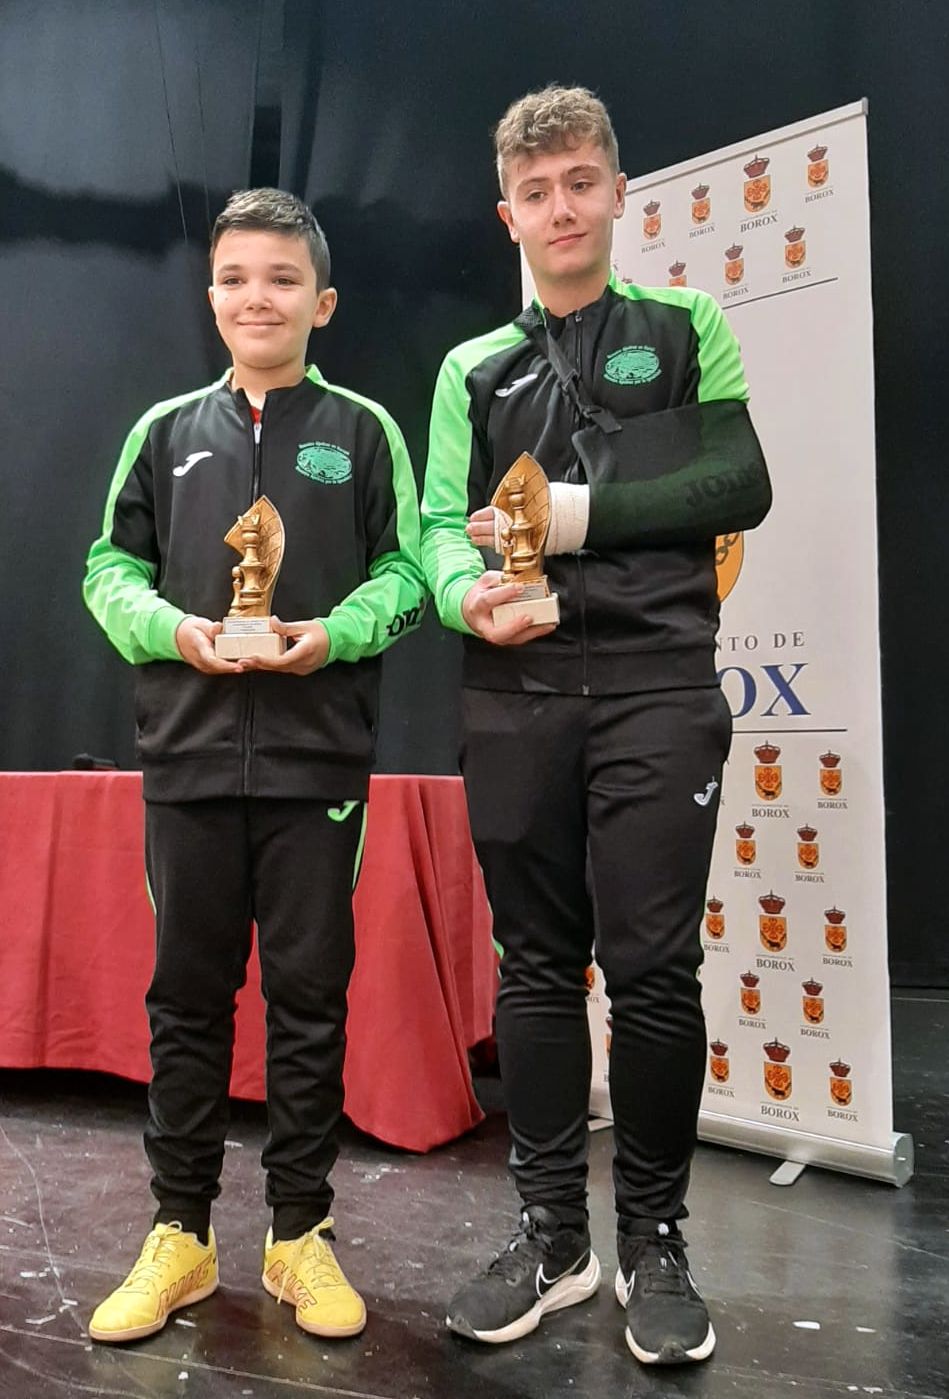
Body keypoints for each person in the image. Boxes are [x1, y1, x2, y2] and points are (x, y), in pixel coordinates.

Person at [420, 86, 771, 1366]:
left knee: (654, 970)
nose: (560, 207)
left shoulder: (685, 326)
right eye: (536, 191)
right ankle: (552, 1237)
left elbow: (738, 482)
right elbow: (432, 530)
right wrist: (460, 592)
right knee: (533, 966)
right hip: (512, 695)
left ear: (619, 192)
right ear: (506, 215)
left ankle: (656, 1242)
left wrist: (571, 516)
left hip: (655, 684)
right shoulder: (471, 369)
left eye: (580, 182)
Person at [83, 188, 425, 1345]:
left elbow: (408, 574)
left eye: (282, 278)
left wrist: (331, 634)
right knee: (186, 999)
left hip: (315, 762)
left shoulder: (363, 431)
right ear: (211, 295)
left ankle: (298, 1235)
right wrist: (177, 631)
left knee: (308, 999)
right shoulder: (163, 432)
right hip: (186, 757)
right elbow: (106, 571)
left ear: (321, 302)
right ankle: (180, 1233)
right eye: (235, 278)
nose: (256, 297)